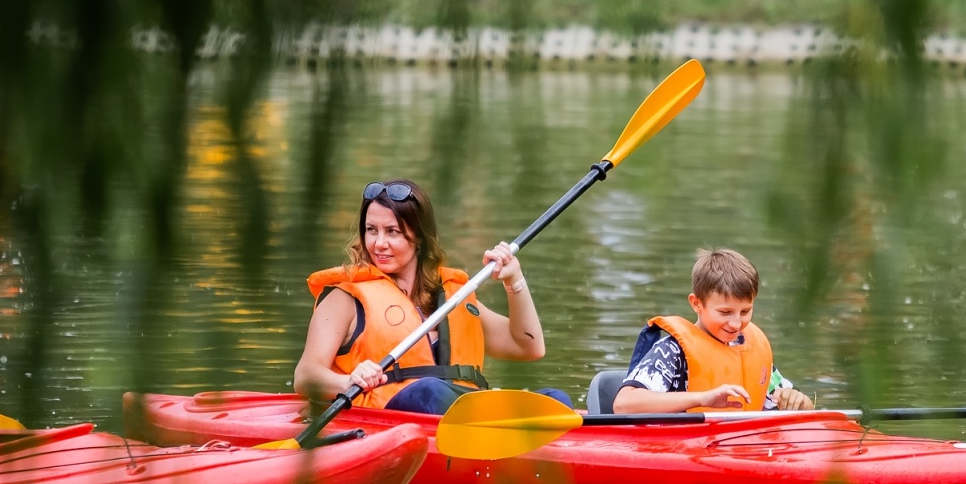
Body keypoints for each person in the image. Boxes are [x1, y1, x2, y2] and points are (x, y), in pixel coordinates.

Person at [295, 179, 570, 416]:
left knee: (554, 400)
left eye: (392, 232)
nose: (379, 243)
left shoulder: (452, 298)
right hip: (385, 419)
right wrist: (348, 382)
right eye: (371, 230)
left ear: (420, 238)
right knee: (430, 391)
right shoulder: (344, 298)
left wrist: (514, 279)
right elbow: (306, 375)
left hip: (462, 416)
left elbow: (529, 347)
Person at [612, 248, 815, 413]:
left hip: (738, 447)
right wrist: (703, 398)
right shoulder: (670, 352)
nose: (736, 323)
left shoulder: (750, 347)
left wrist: (800, 402)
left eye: (745, 311)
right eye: (725, 312)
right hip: (680, 447)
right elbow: (624, 404)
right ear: (697, 303)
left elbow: (800, 407)